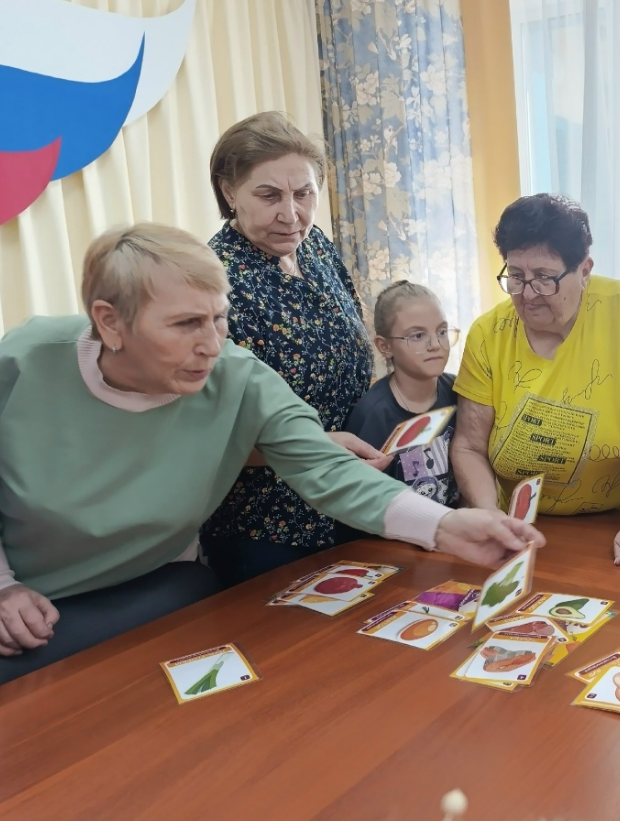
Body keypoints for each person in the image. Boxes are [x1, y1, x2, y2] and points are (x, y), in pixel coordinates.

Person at [0, 224, 545, 685]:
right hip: (24, 601)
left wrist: (445, 526)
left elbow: (326, 468)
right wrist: (3, 586)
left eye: (219, 318)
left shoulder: (238, 377)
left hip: (155, 588)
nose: (212, 345)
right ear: (110, 321)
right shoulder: (25, 361)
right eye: (186, 324)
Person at [199, 112, 382, 586]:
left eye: (304, 194)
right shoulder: (210, 282)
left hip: (348, 496)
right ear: (229, 192)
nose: (291, 214)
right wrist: (313, 447)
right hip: (266, 526)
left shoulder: (314, 246)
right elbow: (202, 432)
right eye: (269, 196)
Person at [452, 194, 620, 577]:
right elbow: (469, 445)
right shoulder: (488, 334)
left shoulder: (619, 305)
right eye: (516, 276)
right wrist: (491, 518)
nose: (527, 294)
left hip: (611, 527)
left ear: (584, 270)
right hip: (519, 530)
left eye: (544, 277)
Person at [344, 281, 459, 506]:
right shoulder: (373, 414)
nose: (435, 344)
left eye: (442, 331)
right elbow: (360, 501)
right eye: (417, 336)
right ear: (385, 347)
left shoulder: (459, 392)